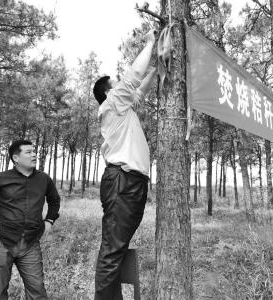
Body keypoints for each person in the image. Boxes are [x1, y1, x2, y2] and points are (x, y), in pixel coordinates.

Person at [92, 29, 157, 299]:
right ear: (109, 91)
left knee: (116, 247)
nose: (121, 84)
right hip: (122, 182)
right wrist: (151, 42)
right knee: (113, 248)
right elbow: (133, 79)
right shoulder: (112, 104)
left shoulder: (123, 109)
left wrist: (157, 67)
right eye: (116, 83)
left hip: (131, 183)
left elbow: (138, 90)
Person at [0, 140, 60, 300]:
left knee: (38, 293)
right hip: (1, 241)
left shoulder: (44, 179)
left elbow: (54, 200)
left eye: (34, 151)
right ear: (16, 158)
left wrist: (49, 220)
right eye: (28, 152)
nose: (34, 154)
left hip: (30, 243)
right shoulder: (0, 179)